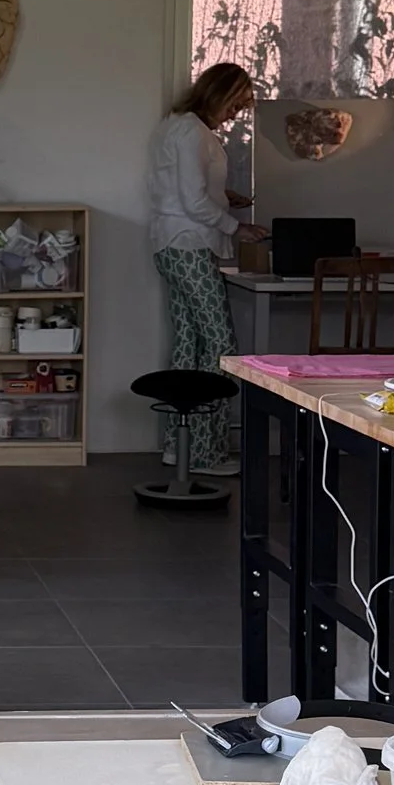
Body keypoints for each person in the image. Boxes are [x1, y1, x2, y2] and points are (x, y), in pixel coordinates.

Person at [147, 62, 255, 480]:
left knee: (188, 343)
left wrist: (223, 196)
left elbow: (181, 190)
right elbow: (192, 202)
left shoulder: (175, 126)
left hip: (170, 243)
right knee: (220, 345)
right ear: (218, 93)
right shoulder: (193, 132)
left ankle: (179, 449)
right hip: (189, 245)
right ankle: (206, 452)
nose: (235, 113)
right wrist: (236, 227)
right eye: (235, 104)